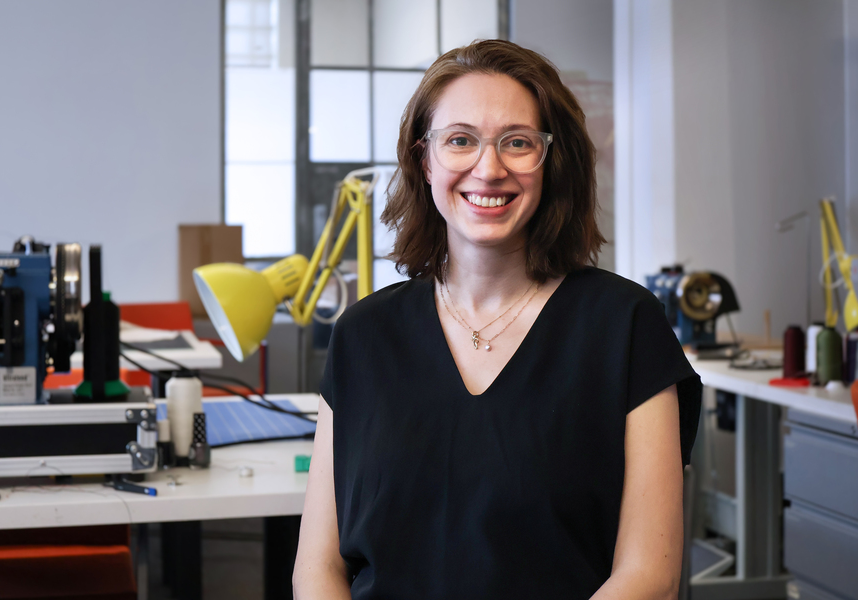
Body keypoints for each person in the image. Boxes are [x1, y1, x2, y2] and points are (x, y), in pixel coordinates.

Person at [292, 39, 701, 600]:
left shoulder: (626, 326)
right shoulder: (363, 334)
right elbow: (317, 571)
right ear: (423, 159)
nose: (489, 168)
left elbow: (647, 576)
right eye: (460, 140)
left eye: (517, 142)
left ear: (551, 161)